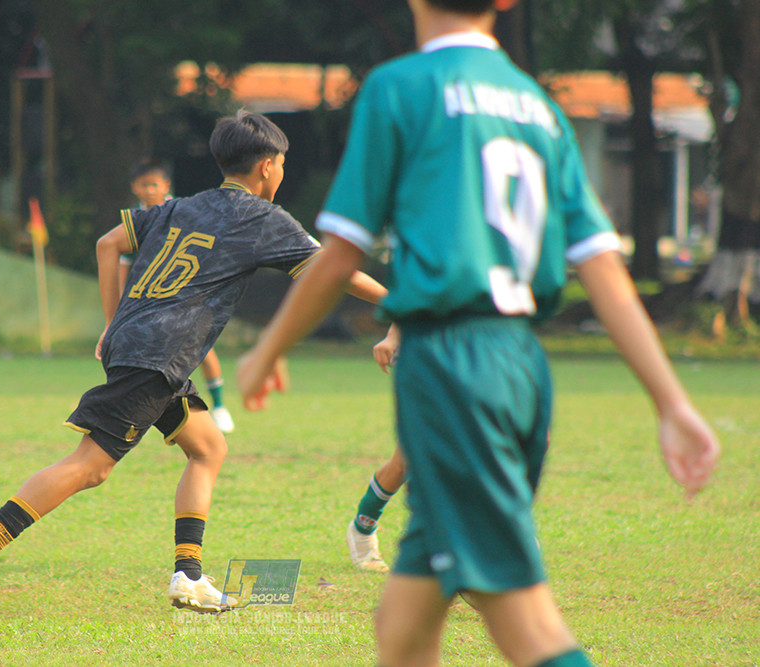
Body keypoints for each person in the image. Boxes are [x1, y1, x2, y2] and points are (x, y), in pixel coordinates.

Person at [236, 0, 720, 665]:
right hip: (520, 364)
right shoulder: (537, 106)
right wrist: (672, 401)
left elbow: (339, 253)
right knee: (402, 627)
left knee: (525, 624)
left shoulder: (401, 88)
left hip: (452, 367)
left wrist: (266, 349)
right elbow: (602, 266)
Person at [0, 109, 388, 619]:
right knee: (91, 466)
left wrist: (114, 323)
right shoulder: (263, 219)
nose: (282, 173)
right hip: (159, 356)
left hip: (145, 350)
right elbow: (336, 269)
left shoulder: (183, 206)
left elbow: (107, 243)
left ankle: (189, 576)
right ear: (267, 166)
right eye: (282, 164)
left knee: (208, 447)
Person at [122, 157, 236, 433]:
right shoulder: (133, 220)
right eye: (144, 185)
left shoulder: (184, 212)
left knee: (202, 350)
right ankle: (149, 410)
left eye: (154, 184)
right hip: (150, 299)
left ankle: (219, 406)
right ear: (134, 188)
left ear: (165, 185)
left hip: (188, 292)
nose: (150, 190)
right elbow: (123, 262)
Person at [347, 324, 406, 573]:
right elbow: (414, 288)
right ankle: (362, 528)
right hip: (433, 357)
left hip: (494, 358)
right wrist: (393, 336)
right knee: (408, 459)